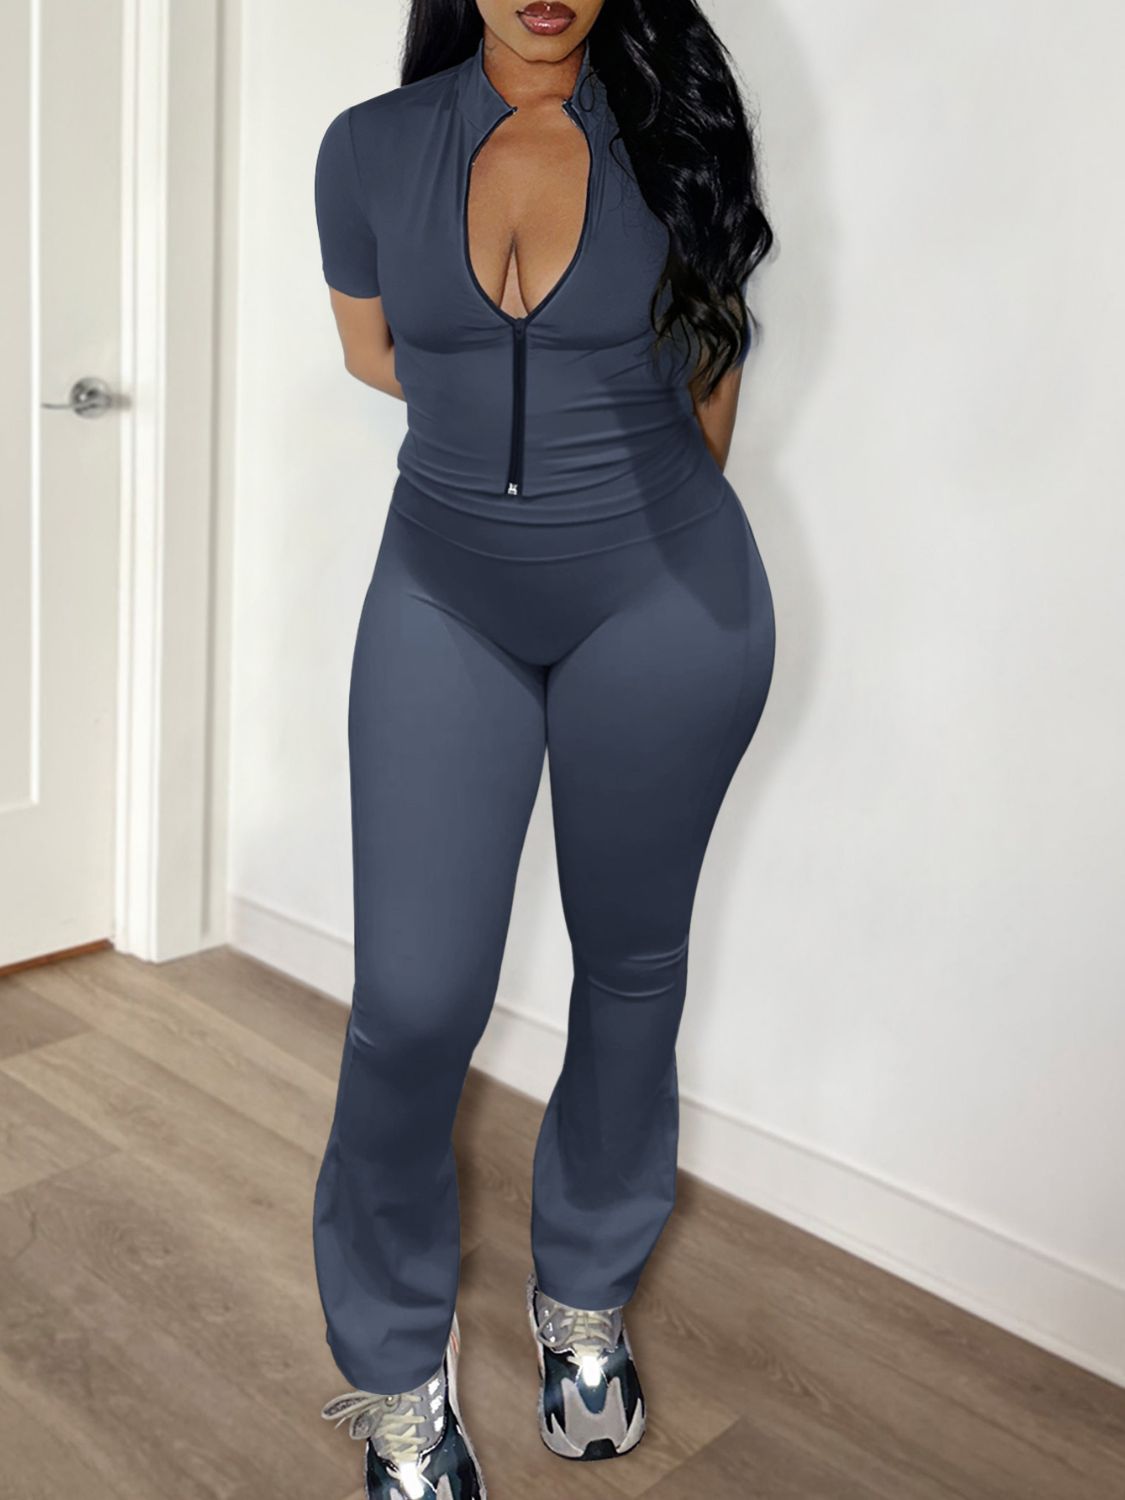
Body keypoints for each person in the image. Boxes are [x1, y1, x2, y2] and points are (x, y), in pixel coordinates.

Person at [312, 1, 775, 1494]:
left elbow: (710, 389)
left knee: (630, 970)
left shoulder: (675, 136)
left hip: (663, 601)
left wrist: (608, 510)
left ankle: (583, 1292)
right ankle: (397, 1369)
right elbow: (379, 356)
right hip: (444, 595)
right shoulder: (369, 150)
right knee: (410, 1000)